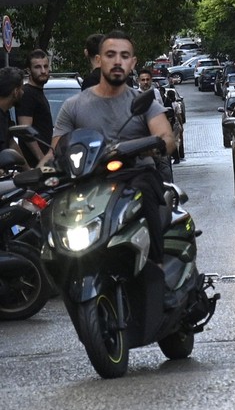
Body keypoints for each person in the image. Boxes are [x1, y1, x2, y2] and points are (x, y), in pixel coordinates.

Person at [53, 30, 176, 267]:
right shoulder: (73, 106)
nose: (117, 61)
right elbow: (58, 147)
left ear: (133, 63)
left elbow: (166, 138)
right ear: (98, 60)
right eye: (110, 54)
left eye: (124, 55)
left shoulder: (144, 101)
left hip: (134, 175)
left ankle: (156, 264)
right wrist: (38, 171)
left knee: (146, 191)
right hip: (89, 180)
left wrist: (151, 146)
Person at [15, 49, 54, 167]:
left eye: (45, 66)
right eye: (37, 67)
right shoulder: (27, 94)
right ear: (29, 70)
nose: (43, 71)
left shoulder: (38, 93)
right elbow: (25, 131)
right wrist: (42, 159)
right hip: (35, 165)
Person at [0, 67, 28, 157]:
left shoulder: (5, 113)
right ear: (15, 92)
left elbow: (12, 143)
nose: (23, 92)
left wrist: (29, 170)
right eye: (21, 88)